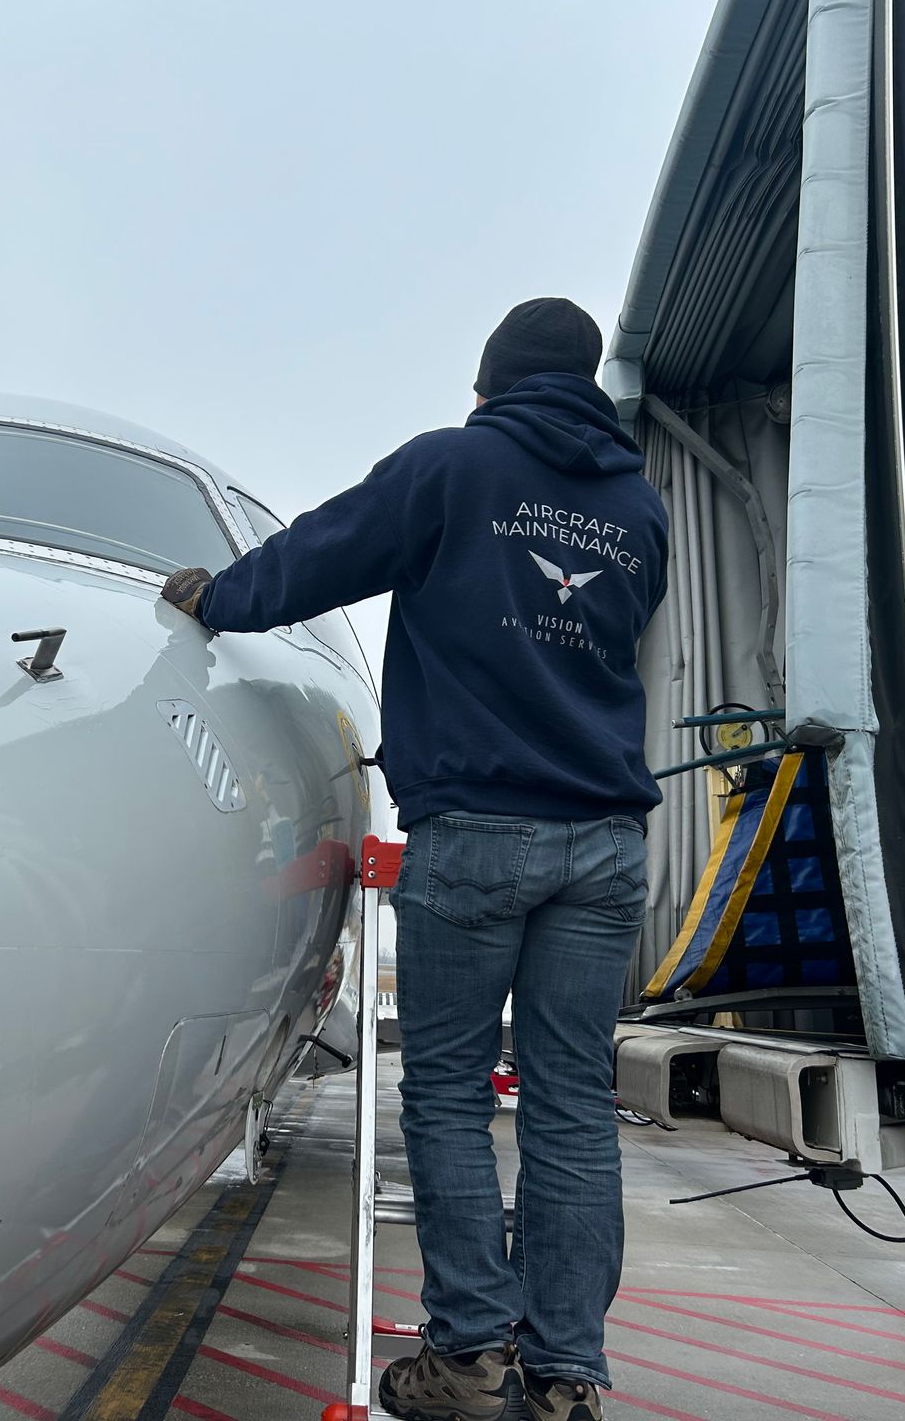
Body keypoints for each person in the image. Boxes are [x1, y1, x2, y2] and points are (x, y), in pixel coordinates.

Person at [160, 298, 667, 1421]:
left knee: (444, 1094)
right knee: (572, 1106)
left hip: (478, 831)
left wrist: (220, 595)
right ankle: (569, 1376)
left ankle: (471, 1354)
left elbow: (324, 555)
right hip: (605, 842)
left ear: (489, 384)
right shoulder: (638, 507)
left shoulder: (457, 466)